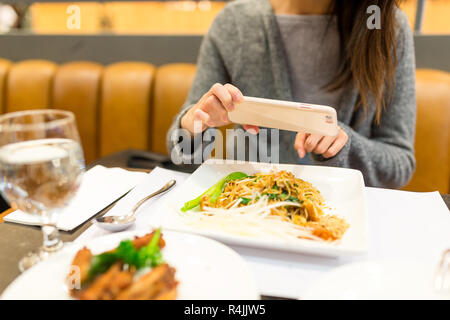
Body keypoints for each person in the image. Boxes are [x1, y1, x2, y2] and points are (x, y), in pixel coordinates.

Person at [167, 0, 416, 189]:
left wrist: (343, 147)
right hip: (243, 207)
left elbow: (400, 164)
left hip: (341, 218)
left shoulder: (385, 24)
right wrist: (193, 127)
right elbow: (181, 154)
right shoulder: (235, 22)